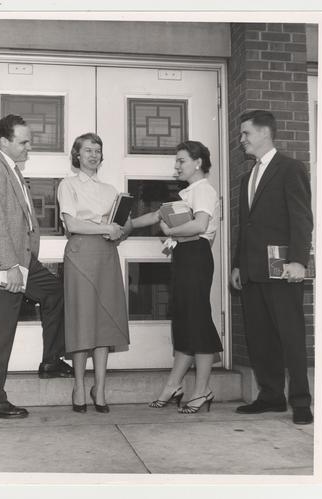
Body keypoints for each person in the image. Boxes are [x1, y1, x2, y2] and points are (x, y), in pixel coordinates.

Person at [0, 114, 73, 419]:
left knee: (55, 293)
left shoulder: (9, 169)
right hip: (4, 265)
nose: (29, 147)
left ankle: (51, 360)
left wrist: (23, 261)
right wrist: (9, 266)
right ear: (4, 141)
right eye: (23, 142)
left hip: (22, 262)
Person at [124, 140, 223, 414]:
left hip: (196, 257)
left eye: (181, 160)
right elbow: (157, 215)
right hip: (185, 257)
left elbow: (200, 225)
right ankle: (174, 385)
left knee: (197, 322)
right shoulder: (188, 192)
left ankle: (202, 391)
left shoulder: (203, 190)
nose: (176, 166)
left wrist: (169, 232)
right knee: (185, 321)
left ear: (198, 163)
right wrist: (126, 225)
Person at [231, 110, 313, 425]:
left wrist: (298, 261)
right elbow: (245, 227)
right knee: (260, 337)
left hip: (283, 269)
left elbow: (302, 218)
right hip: (252, 271)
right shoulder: (246, 178)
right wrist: (238, 266)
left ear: (264, 133)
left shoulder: (290, 168)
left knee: (290, 336)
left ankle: (302, 402)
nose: (241, 141)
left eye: (245, 134)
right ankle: (271, 397)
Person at [58, 132, 129, 413]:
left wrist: (119, 230)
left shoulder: (111, 190)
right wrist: (105, 227)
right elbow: (72, 224)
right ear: (77, 155)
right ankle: (78, 385)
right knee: (82, 320)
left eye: (97, 150)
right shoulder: (68, 184)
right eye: (87, 150)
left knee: (104, 322)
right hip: (80, 256)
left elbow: (119, 226)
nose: (93, 155)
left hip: (106, 256)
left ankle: (99, 387)